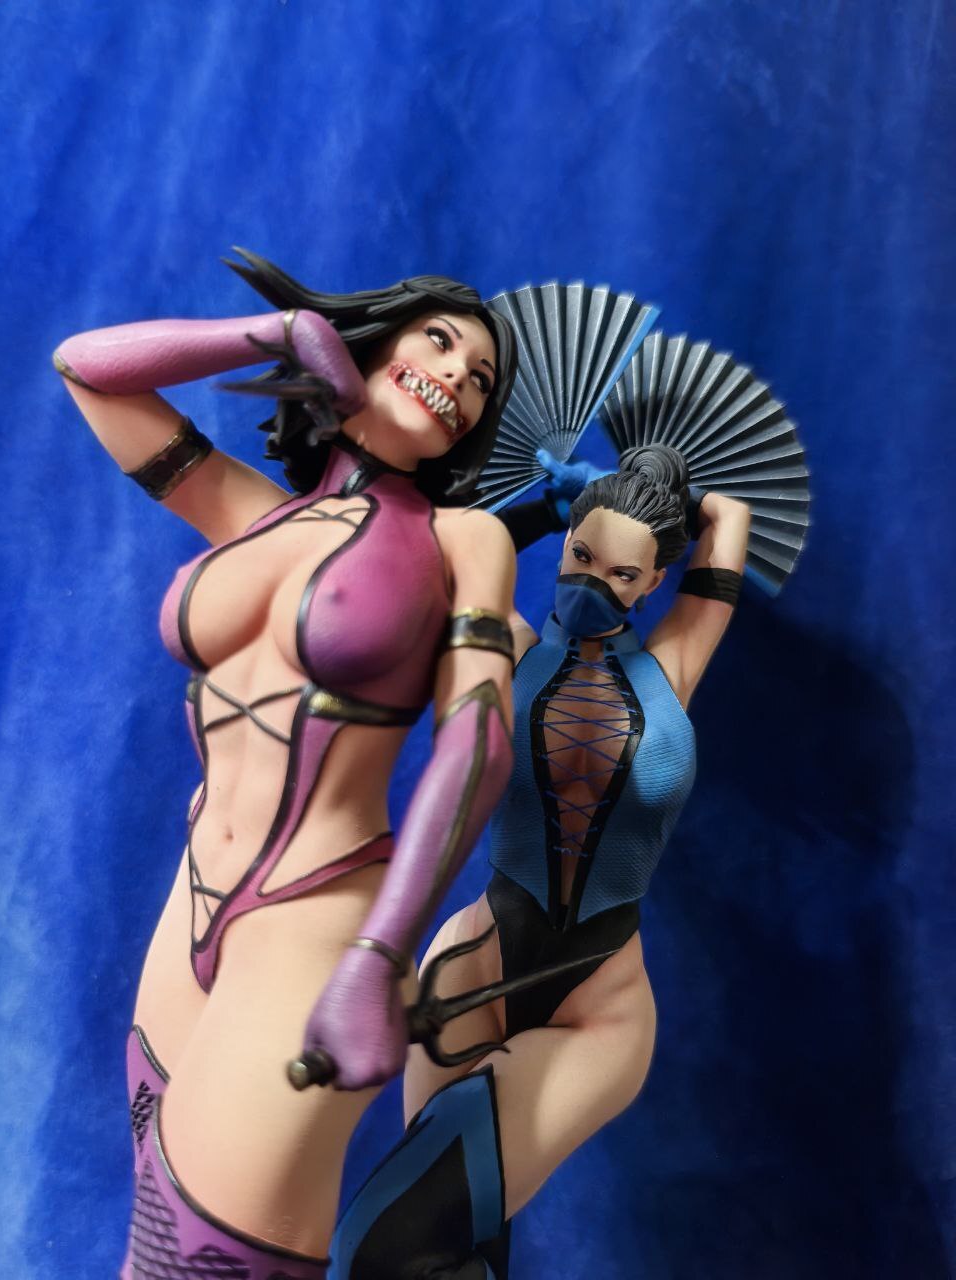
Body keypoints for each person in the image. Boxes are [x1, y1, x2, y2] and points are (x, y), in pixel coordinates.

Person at [53, 251, 520, 1277]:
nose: (459, 374)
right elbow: (88, 368)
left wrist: (381, 956)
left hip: (315, 925)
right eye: (440, 340)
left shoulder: (463, 541)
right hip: (192, 905)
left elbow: (478, 742)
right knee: (152, 1234)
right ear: (377, 343)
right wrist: (270, 335)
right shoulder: (248, 511)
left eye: (482, 379)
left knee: (200, 1265)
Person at [330, 444, 750, 1279]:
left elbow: (729, 515)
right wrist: (548, 503)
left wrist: (652, 492)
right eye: (581, 555)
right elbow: (443, 546)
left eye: (622, 572)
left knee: (382, 1250)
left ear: (654, 581)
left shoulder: (674, 666)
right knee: (460, 1255)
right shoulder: (511, 647)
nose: (593, 582)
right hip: (468, 972)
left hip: (598, 1007)